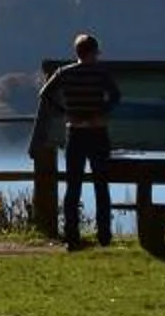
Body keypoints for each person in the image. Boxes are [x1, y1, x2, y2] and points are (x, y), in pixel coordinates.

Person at [39, 32, 123, 247]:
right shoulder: (101, 73)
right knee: (101, 186)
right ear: (93, 53)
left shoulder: (64, 73)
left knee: (73, 187)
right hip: (97, 132)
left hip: (74, 132)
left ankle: (72, 237)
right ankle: (104, 236)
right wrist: (100, 112)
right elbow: (116, 97)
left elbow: (45, 94)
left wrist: (64, 112)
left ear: (77, 52)